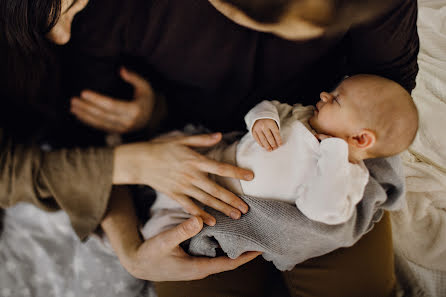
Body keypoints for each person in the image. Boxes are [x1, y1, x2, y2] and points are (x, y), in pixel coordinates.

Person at [0, 0, 419, 295]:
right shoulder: (107, 13)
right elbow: (87, 141)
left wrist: (336, 154)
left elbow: (386, 104)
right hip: (198, 175)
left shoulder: (365, 15)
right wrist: (131, 248)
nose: (60, 35)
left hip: (323, 179)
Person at [143, 74, 418, 239]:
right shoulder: (302, 116)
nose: (324, 94)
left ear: (360, 138)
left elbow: (322, 210)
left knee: (164, 230)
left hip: (218, 200)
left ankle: (135, 228)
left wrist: (335, 151)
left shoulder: (350, 176)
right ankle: (133, 167)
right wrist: (263, 119)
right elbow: (270, 106)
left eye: (336, 99)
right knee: (165, 144)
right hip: (214, 155)